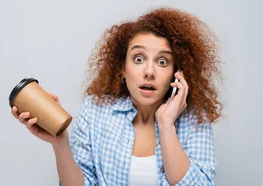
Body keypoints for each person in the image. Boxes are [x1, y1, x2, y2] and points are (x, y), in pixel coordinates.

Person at [11, 7, 223, 186]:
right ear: (122, 68)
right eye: (139, 59)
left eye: (162, 62)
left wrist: (166, 124)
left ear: (177, 73)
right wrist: (60, 143)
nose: (149, 71)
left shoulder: (195, 118)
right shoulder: (96, 110)